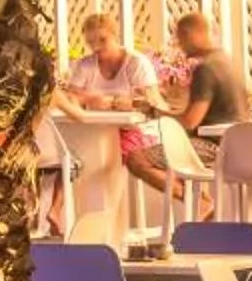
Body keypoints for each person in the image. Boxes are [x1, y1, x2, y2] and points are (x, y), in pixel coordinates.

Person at [54, 14, 168, 191]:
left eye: (102, 40)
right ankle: (64, 204)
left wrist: (128, 103)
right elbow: (70, 98)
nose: (96, 47)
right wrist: (90, 99)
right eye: (91, 42)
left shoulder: (136, 63)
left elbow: (155, 103)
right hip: (95, 131)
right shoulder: (85, 65)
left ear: (115, 35)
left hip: (134, 131)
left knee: (96, 157)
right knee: (70, 155)